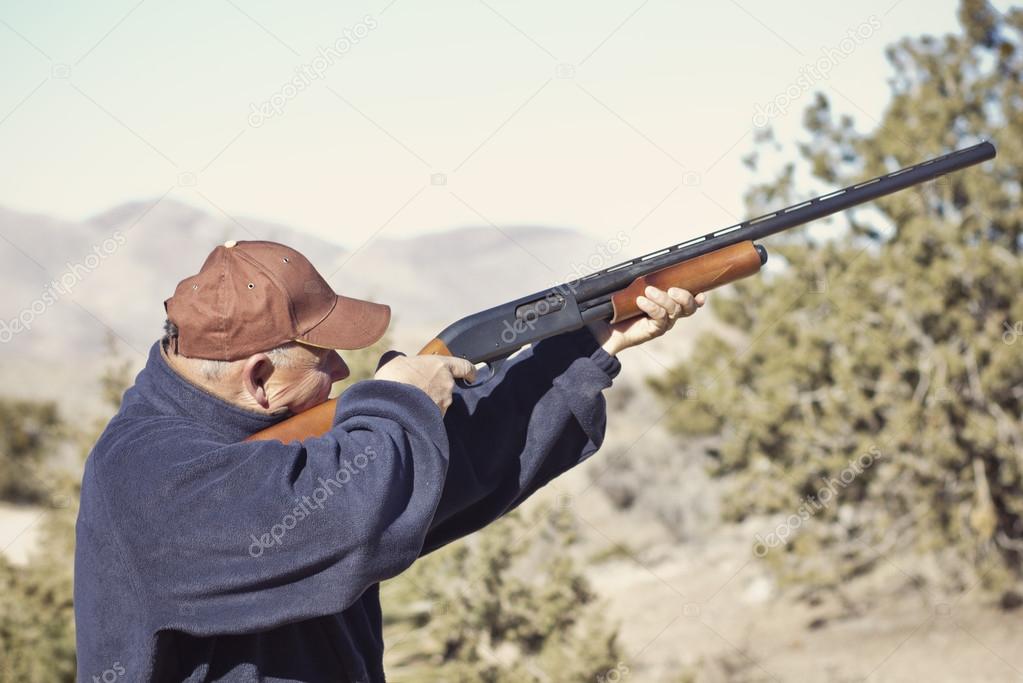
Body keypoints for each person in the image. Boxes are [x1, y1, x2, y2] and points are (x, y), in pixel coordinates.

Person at [74, 239, 705, 682]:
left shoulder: (276, 437)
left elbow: (454, 468)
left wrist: (590, 345)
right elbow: (347, 516)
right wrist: (399, 403)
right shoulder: (147, 475)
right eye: (323, 359)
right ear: (261, 377)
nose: (344, 371)